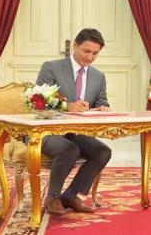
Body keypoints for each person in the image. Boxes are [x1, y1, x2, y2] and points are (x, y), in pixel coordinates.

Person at [36, 28, 112, 215]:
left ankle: (70, 195)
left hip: (75, 132)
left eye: (95, 53)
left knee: (102, 151)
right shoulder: (51, 67)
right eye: (86, 51)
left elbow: (101, 102)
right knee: (69, 149)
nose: (90, 57)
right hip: (46, 130)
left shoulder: (98, 76)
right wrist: (66, 106)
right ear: (75, 46)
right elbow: (39, 101)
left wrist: (102, 108)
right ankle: (53, 198)